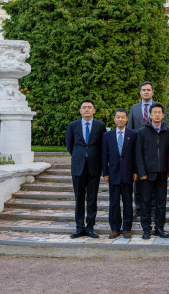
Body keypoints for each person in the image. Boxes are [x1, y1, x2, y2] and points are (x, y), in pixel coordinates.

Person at [65, 99, 106, 239]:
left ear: (94, 110)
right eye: (84, 107)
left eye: (89, 107)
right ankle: (79, 227)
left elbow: (102, 146)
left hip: (94, 167)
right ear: (80, 110)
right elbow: (70, 145)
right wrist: (80, 156)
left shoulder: (100, 125)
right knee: (79, 199)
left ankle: (90, 227)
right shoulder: (73, 126)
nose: (87, 110)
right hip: (78, 167)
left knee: (92, 199)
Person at [128, 81, 168, 219]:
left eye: (148, 90)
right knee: (138, 179)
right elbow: (130, 128)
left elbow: (164, 127)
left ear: (152, 92)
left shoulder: (159, 108)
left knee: (154, 182)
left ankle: (153, 208)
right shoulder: (134, 109)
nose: (146, 92)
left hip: (155, 150)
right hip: (138, 148)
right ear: (140, 92)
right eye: (143, 90)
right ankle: (138, 207)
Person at [135, 102, 169, 239]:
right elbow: (138, 154)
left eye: (159, 112)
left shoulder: (168, 132)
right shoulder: (142, 132)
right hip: (147, 174)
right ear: (150, 115)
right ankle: (146, 229)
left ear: (163, 115)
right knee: (146, 202)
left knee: (161, 202)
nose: (157, 115)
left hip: (162, 173)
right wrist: (141, 172)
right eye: (154, 112)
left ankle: (159, 227)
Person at [101, 109, 137, 239]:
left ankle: (127, 228)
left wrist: (135, 171)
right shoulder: (107, 135)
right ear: (114, 118)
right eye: (118, 117)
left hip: (128, 173)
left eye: (123, 117)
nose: (120, 119)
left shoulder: (133, 134)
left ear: (127, 119)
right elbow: (104, 155)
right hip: (113, 173)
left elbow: (136, 155)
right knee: (114, 202)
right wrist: (105, 172)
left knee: (128, 202)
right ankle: (115, 228)